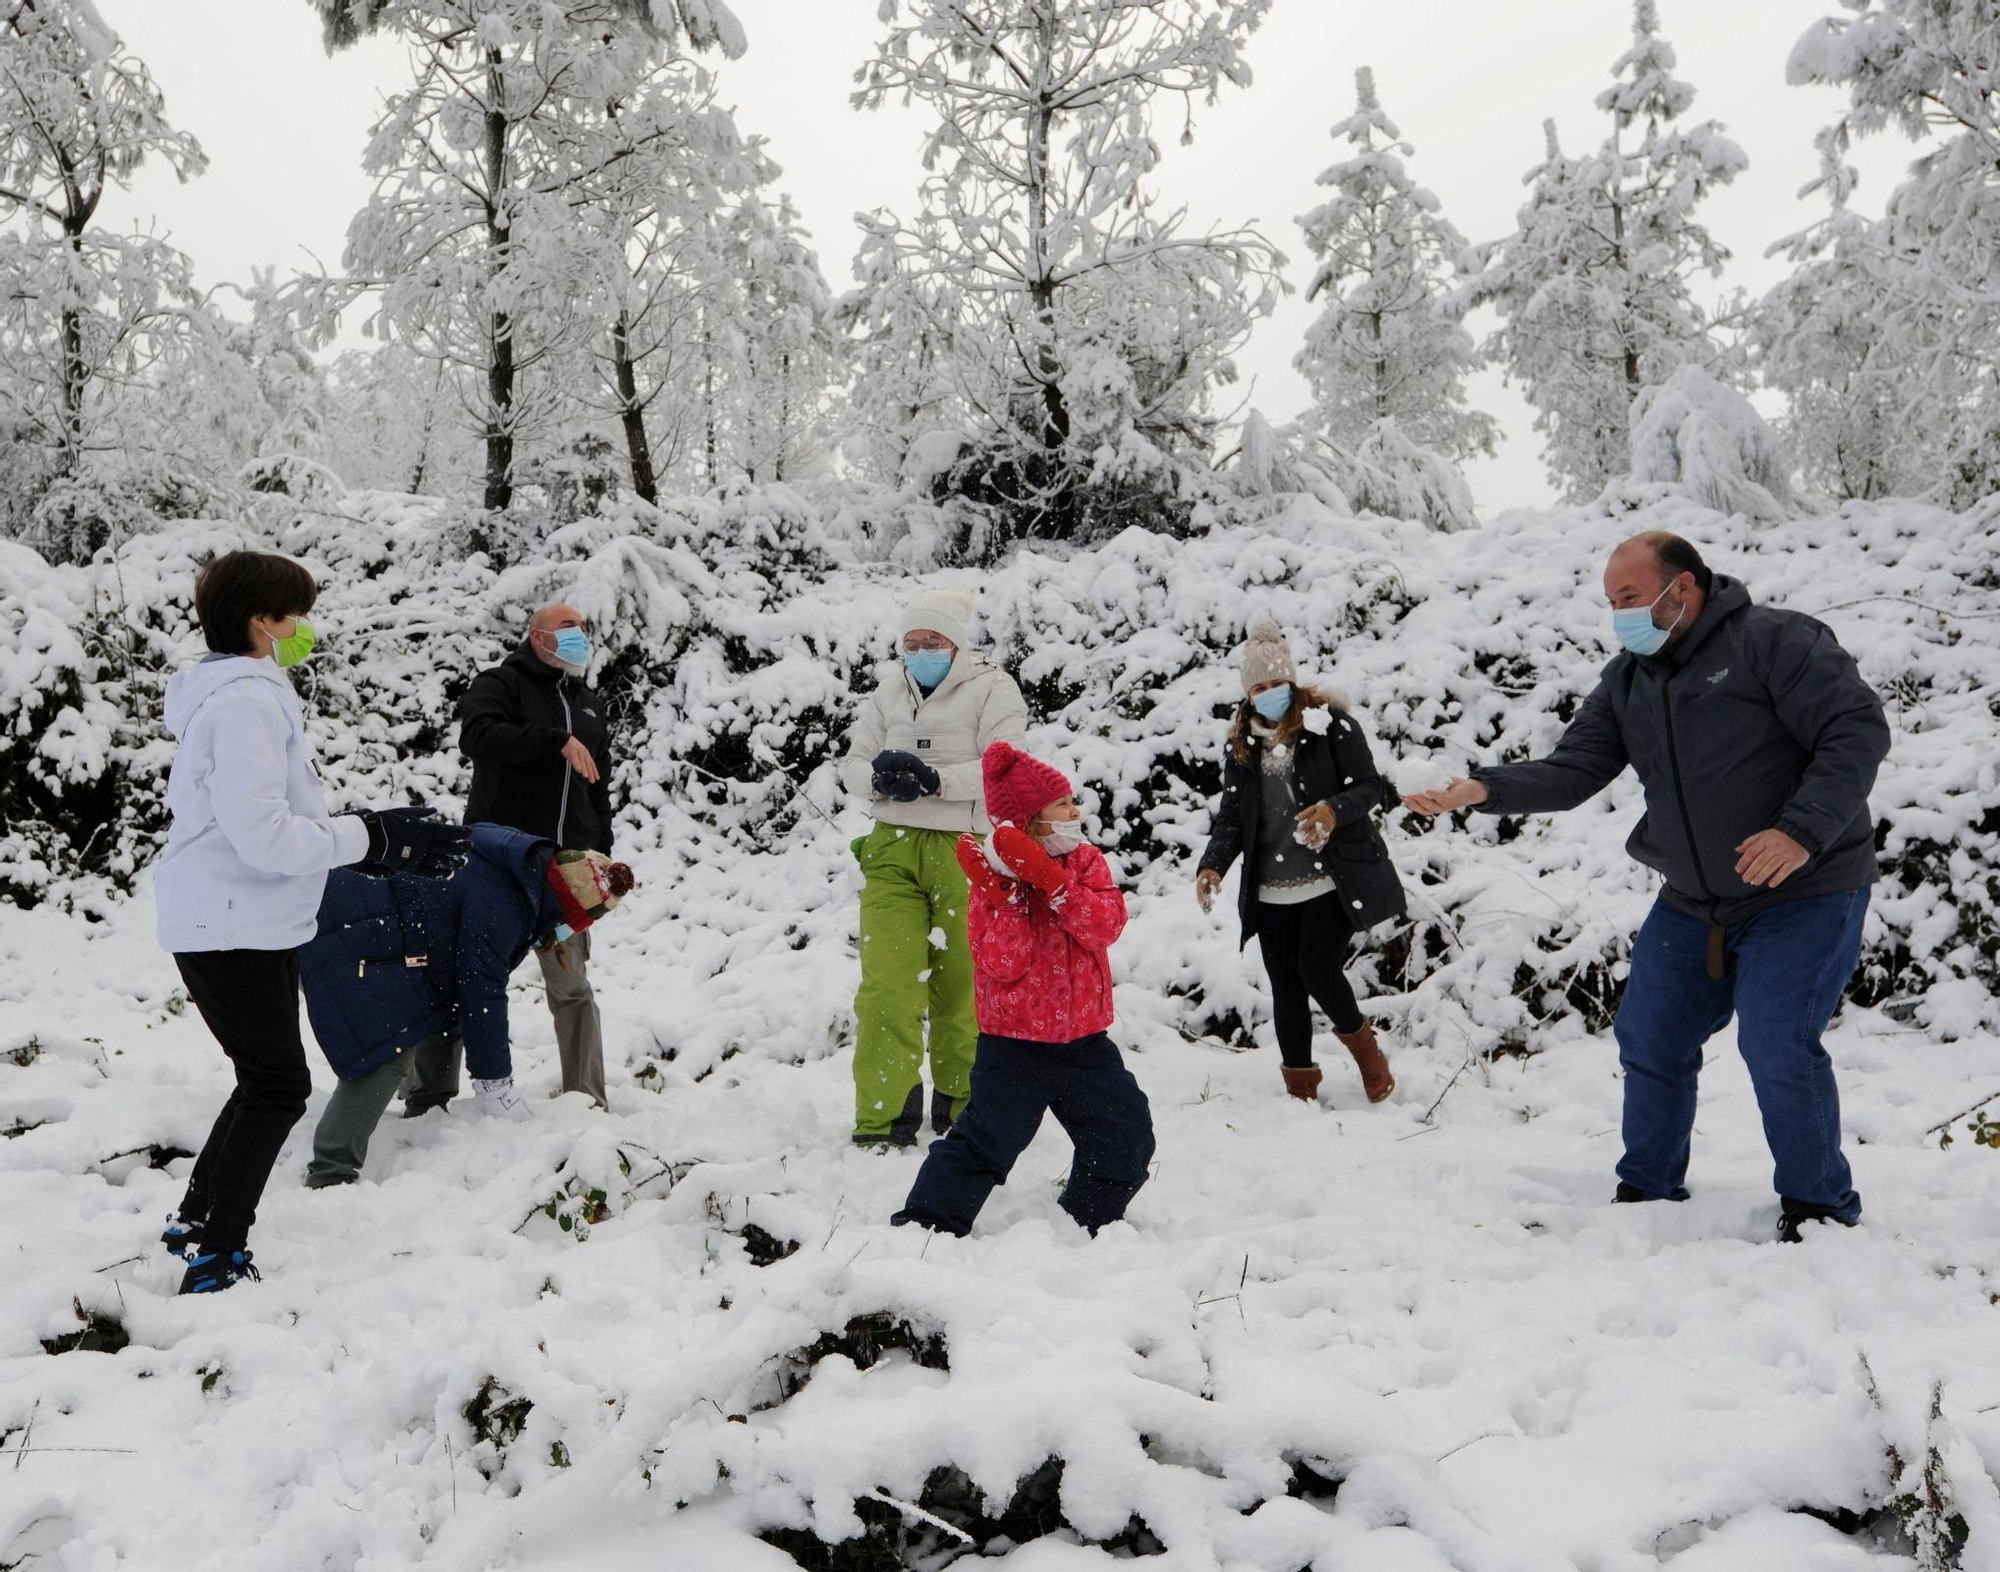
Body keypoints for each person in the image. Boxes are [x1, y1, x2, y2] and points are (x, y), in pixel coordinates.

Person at [1403, 533, 1891, 1242]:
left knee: (1778, 1040)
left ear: (1683, 587)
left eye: (1630, 599)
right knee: (1651, 1035)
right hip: (1695, 899)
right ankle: (1650, 1190)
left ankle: (1819, 1209)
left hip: (1805, 888)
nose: (1620, 616)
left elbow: (1856, 729)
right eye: (1611, 603)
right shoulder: (1631, 678)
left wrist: (1800, 831)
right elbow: (1575, 770)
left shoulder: (1775, 641)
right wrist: (1482, 788)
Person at [155, 549, 471, 1294]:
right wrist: (376, 836)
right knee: (278, 1087)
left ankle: (197, 1222)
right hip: (233, 923)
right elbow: (264, 835)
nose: (305, 627)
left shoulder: (243, 697)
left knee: (261, 1079)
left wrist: (373, 845)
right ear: (259, 622)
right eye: (293, 613)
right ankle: (217, 1255)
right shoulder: (245, 706)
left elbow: (275, 826)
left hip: (232, 920)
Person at [893, 742, 1154, 1235]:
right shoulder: (989, 881)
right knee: (987, 1140)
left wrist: (1056, 886)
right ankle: (926, 1224)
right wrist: (1011, 899)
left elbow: (1105, 926)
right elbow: (1000, 963)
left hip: (1084, 1043)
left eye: (1072, 800)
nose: (1075, 811)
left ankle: (1084, 1220)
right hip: (1012, 1048)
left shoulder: (1086, 863)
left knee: (1126, 1132)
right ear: (1029, 819)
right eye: (1062, 804)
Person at [300, 829, 635, 1188]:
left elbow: (468, 986)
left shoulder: (525, 877)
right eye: (582, 922)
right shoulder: (508, 901)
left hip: (385, 931)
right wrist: (496, 1085)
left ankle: (428, 1114)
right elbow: (483, 989)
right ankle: (331, 1173)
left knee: (447, 1012)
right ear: (571, 907)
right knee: (386, 1049)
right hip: (359, 933)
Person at [839, 587, 1028, 1147]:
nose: (920, 651)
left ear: (956, 644)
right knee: (886, 990)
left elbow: (1005, 766)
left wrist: (936, 780)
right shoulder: (889, 691)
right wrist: (876, 778)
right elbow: (851, 760)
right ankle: (883, 1116)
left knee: (962, 988)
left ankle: (963, 1108)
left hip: (962, 849)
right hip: (891, 847)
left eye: (933, 642)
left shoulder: (992, 687)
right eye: (912, 642)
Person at [1194, 620, 1406, 1104]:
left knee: (1316, 967)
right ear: (1248, 694)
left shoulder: (1330, 725)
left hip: (1331, 876)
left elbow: (1371, 787)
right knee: (1285, 985)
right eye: (1258, 688)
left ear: (1292, 682)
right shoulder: (1242, 744)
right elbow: (1232, 816)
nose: (1268, 695)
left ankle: (1369, 1058)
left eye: (1276, 684)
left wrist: (1332, 810)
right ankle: (1299, 1089)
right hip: (1271, 886)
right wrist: (1211, 867)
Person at [458, 602, 616, 1109]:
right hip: (502, 861)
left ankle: (587, 1095)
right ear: (537, 635)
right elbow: (477, 737)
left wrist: (602, 854)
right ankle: (430, 1091)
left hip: (568, 867)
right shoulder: (500, 684)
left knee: (572, 987)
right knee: (474, 976)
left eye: (584, 628)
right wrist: (555, 742)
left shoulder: (588, 701)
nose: (579, 635)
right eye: (568, 627)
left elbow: (598, 786)